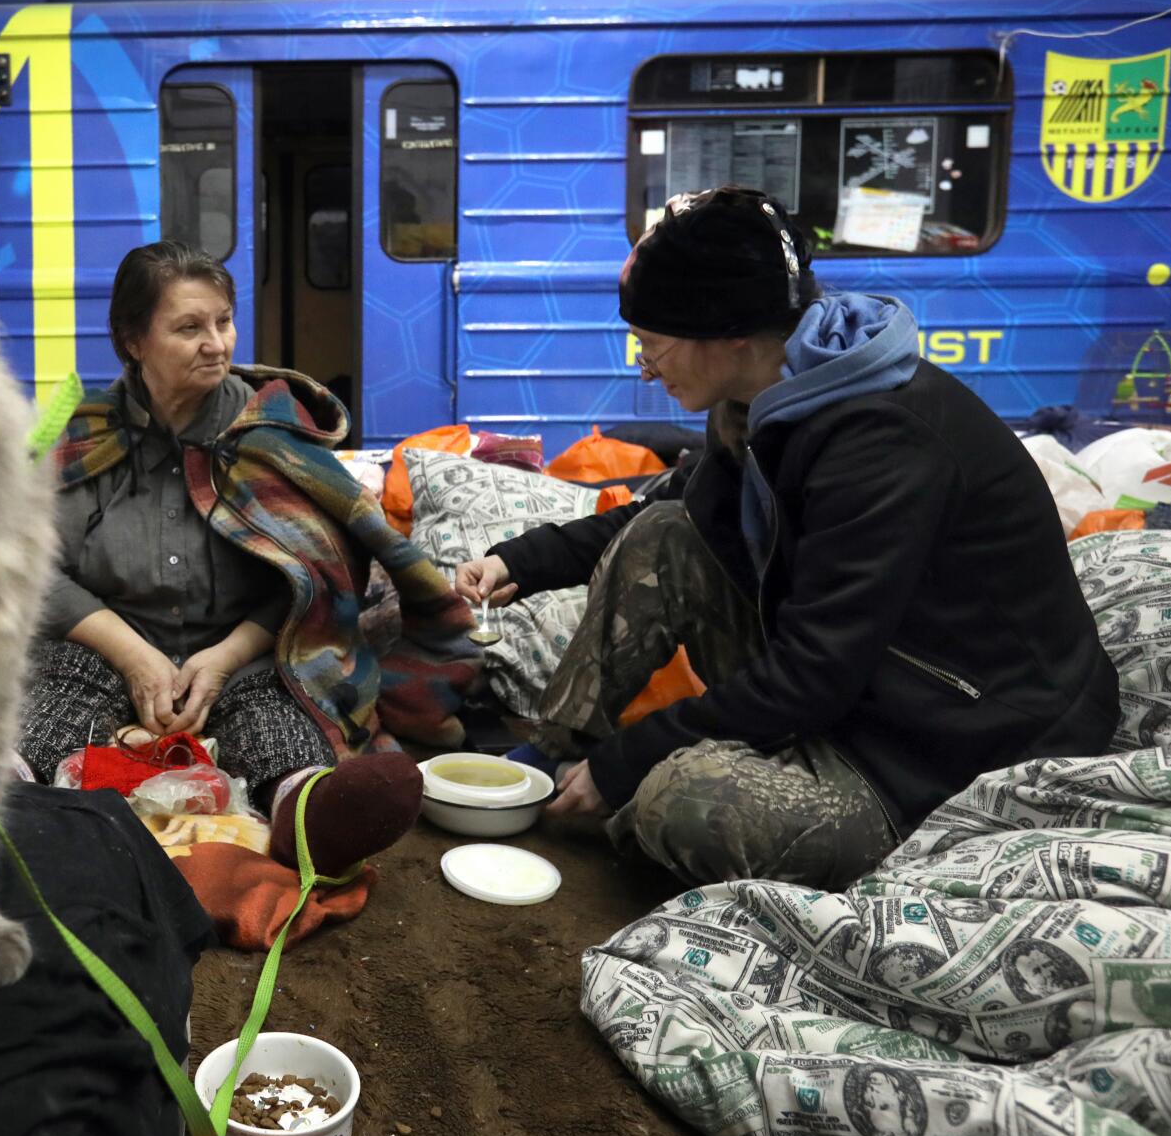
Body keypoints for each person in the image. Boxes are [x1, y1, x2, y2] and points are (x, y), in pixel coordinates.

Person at [452, 186, 1119, 888]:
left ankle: (602, 793)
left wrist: (630, 764)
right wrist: (517, 560)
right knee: (664, 535)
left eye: (653, 345)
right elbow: (670, 513)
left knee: (684, 799)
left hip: (950, 745)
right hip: (861, 690)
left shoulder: (882, 443)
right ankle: (556, 761)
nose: (643, 366)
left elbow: (813, 673)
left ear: (730, 332)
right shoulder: (764, 400)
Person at [22, 240, 480, 875]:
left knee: (276, 703)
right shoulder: (87, 437)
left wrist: (221, 658)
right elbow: (30, 569)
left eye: (223, 321)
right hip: (103, 649)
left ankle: (306, 814)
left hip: (243, 650)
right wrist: (134, 656)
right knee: (50, 693)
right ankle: (4, 800)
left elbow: (315, 577)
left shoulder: (270, 435)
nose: (217, 343)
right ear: (133, 341)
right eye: (188, 328)